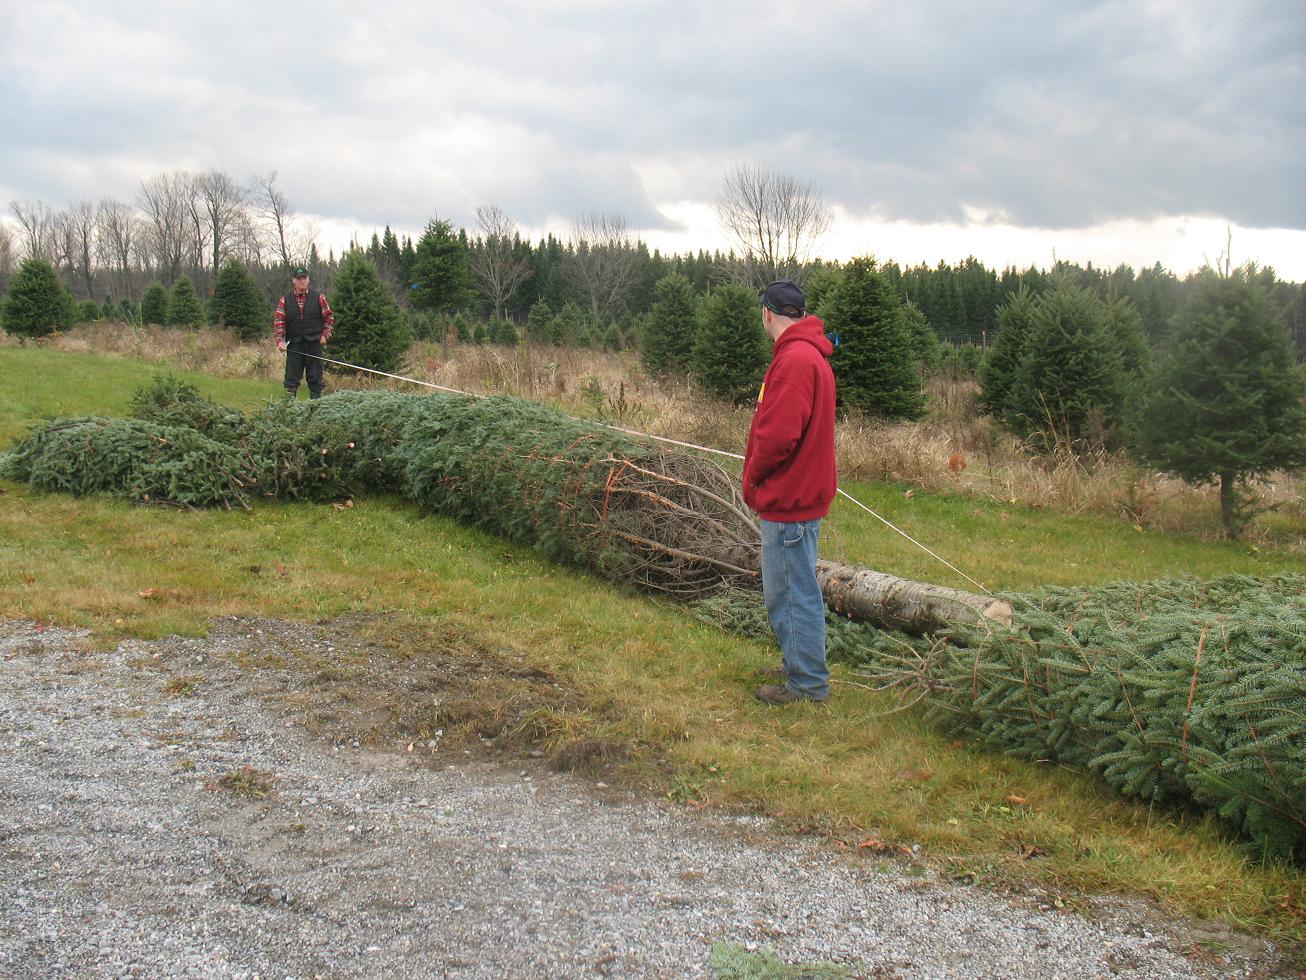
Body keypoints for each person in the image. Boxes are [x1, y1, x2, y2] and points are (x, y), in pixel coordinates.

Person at [742, 279, 837, 705]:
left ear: (767, 313)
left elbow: (779, 435)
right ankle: (798, 663)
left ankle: (807, 685)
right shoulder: (806, 354)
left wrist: (753, 478)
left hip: (789, 499)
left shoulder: (795, 360)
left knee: (791, 593)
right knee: (796, 588)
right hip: (800, 496)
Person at [273, 265, 334, 399]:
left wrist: (325, 335)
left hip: (314, 344)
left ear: (308, 279)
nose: (302, 281)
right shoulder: (285, 300)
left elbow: (329, 317)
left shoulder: (319, 297)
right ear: (293, 281)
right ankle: (290, 412)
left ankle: (314, 412)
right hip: (294, 346)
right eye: (299, 278)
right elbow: (279, 323)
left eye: (304, 278)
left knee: (316, 380)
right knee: (291, 381)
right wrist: (279, 342)